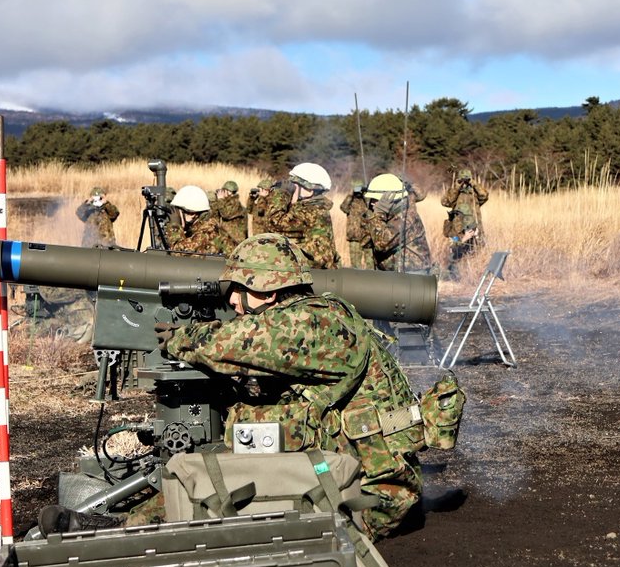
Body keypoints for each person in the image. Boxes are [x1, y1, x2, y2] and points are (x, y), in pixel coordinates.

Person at [150, 234, 424, 539]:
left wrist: (179, 338)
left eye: (238, 289)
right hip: (346, 479)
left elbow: (240, 342)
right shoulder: (308, 317)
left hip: (367, 498)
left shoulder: (314, 323)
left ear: (267, 292)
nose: (231, 301)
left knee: (179, 516)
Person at [264, 162, 341, 269]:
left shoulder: (309, 211)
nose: (291, 191)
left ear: (309, 190)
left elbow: (273, 223)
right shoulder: (316, 208)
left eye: (293, 186)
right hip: (315, 272)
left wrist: (281, 193)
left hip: (314, 275)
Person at [362, 173, 435, 274]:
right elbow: (365, 242)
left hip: (412, 275)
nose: (372, 203)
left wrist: (378, 215)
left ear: (392, 200)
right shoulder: (386, 215)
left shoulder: (406, 217)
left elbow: (381, 244)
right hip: (392, 274)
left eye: (376, 200)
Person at [166, 185, 232, 255]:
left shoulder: (206, 232)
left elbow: (177, 254)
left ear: (194, 214)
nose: (177, 215)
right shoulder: (194, 229)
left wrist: (175, 226)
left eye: (178, 212)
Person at [441, 169, 489, 246]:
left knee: (477, 247)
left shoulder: (474, 193)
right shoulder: (454, 192)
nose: (464, 183)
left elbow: (484, 196)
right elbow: (445, 202)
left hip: (475, 225)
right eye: (462, 180)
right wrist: (456, 187)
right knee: (457, 248)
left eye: (466, 180)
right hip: (459, 227)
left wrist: (474, 184)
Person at [339, 181, 375, 269]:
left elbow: (372, 209)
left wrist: (365, 194)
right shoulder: (351, 201)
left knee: (370, 263)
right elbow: (343, 208)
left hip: (367, 236)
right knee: (355, 264)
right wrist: (351, 195)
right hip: (354, 236)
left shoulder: (367, 201)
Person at [210, 180, 247, 250]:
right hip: (225, 238)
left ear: (228, 191)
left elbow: (226, 214)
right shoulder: (226, 203)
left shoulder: (235, 203)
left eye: (223, 191)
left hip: (234, 240)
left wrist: (220, 199)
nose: (222, 193)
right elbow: (215, 216)